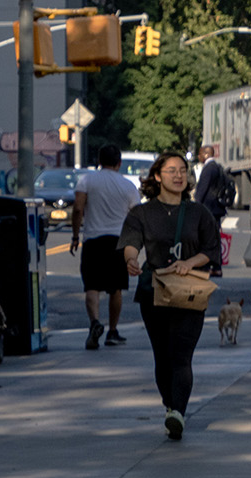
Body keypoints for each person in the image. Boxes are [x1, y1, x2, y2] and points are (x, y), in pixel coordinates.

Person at [118, 151, 223, 441]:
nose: (179, 176)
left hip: (189, 292)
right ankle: (170, 403)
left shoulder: (198, 212)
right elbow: (131, 243)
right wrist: (131, 259)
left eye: (183, 170)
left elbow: (211, 249)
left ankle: (178, 411)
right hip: (154, 292)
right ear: (157, 176)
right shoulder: (141, 213)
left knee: (182, 354)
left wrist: (189, 263)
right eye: (171, 170)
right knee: (163, 356)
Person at [71, 145, 143, 349]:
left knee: (91, 286)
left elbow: (78, 209)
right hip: (119, 241)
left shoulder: (86, 181)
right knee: (115, 288)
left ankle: (94, 322)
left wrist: (75, 236)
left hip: (93, 239)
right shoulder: (128, 186)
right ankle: (112, 331)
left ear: (99, 161)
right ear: (119, 163)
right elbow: (137, 216)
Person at [193, 143, 237, 223]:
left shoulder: (209, 168)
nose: (199, 157)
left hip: (209, 209)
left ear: (206, 155)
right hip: (216, 207)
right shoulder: (217, 166)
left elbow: (202, 189)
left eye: (200, 154)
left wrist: (195, 206)